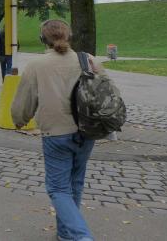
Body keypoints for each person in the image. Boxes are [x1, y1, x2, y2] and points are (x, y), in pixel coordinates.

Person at [12, 20, 103, 241]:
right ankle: (65, 233)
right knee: (75, 183)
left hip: (56, 133)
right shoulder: (88, 60)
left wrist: (19, 120)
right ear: (69, 36)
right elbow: (107, 92)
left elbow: (24, 102)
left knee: (58, 188)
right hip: (86, 131)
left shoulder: (37, 65)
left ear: (42, 39)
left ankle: (81, 236)